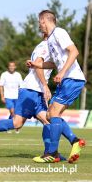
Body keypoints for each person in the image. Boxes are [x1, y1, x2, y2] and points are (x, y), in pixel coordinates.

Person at [0, 33, 80, 162]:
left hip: (36, 92)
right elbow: (38, 65)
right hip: (30, 90)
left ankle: (50, 152)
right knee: (17, 123)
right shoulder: (45, 46)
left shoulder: (47, 47)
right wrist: (45, 85)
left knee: (49, 120)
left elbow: (41, 64)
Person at [28, 10, 86, 163]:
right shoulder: (51, 39)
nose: (39, 26)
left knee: (53, 112)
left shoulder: (59, 32)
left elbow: (74, 51)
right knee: (51, 115)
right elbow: (55, 63)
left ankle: (52, 153)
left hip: (72, 78)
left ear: (44, 21)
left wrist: (62, 72)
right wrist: (37, 64)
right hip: (67, 79)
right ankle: (75, 141)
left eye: (39, 22)